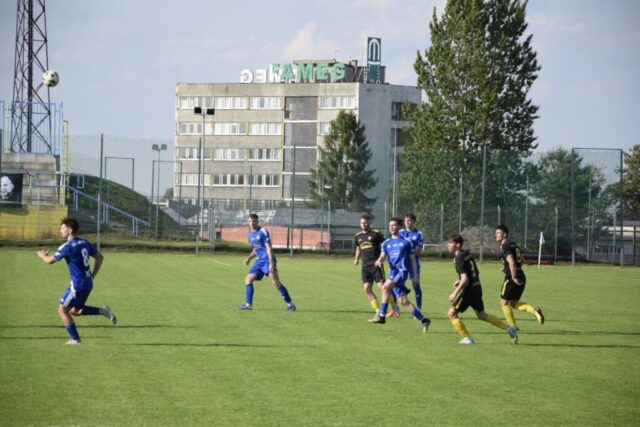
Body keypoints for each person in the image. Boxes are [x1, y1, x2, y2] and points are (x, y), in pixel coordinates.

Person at [36, 217, 117, 345]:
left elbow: (49, 261)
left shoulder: (67, 247)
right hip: (88, 283)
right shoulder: (84, 242)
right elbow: (99, 257)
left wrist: (42, 256)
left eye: (62, 228)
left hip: (77, 285)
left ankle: (75, 340)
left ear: (70, 230)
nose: (60, 230)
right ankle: (103, 311)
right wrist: (92, 275)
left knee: (62, 311)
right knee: (74, 311)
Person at [446, 234, 518, 344]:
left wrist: (454, 293)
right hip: (477, 288)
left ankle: (467, 338)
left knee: (451, 314)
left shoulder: (458, 258)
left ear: (458, 245)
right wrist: (459, 280)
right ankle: (509, 329)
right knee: (482, 315)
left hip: (469, 291)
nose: (448, 245)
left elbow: (465, 279)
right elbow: (474, 272)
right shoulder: (466, 254)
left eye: (450, 243)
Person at [370, 217, 431, 333]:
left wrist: (415, 275)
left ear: (399, 226)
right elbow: (382, 255)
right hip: (393, 272)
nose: (392, 227)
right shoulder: (386, 243)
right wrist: (379, 261)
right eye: (390, 226)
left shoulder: (406, 242)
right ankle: (424, 320)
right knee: (403, 301)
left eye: (394, 225)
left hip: (401, 271)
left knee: (385, 287)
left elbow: (413, 259)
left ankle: (381, 316)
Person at [238, 213, 296, 311]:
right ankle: (248, 305)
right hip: (258, 262)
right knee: (248, 280)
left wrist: (271, 263)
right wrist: (249, 258)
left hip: (267, 261)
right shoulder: (250, 234)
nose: (252, 223)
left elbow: (269, 248)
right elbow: (256, 249)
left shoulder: (263, 231)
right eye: (250, 221)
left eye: (254, 221)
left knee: (276, 282)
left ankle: (290, 304)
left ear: (257, 221)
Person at [495, 224, 544, 329]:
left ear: (505, 235)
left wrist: (513, 277)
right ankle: (534, 311)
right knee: (513, 303)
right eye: (496, 233)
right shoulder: (514, 244)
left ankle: (513, 326)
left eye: (498, 233)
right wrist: (506, 267)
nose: (496, 235)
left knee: (503, 302)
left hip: (513, 277)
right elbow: (522, 261)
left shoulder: (505, 245)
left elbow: (512, 262)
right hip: (521, 275)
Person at [354, 214, 399, 320]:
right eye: (362, 223)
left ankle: (394, 306)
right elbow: (358, 248)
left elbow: (384, 246)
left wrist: (383, 258)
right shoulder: (358, 236)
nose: (363, 224)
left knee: (383, 287)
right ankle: (378, 311)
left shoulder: (376, 233)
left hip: (376, 265)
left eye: (365, 222)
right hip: (365, 267)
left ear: (369, 223)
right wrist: (356, 258)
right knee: (367, 289)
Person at [399, 213, 424, 310]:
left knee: (416, 285)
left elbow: (417, 251)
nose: (407, 222)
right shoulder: (400, 232)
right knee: (397, 284)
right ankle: (395, 308)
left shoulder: (419, 234)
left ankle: (418, 309)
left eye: (409, 220)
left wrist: (406, 250)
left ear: (413, 221)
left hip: (414, 263)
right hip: (402, 262)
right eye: (405, 220)